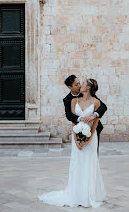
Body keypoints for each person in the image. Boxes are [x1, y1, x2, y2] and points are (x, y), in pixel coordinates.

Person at [39, 78, 106, 208]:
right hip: (77, 135)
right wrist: (76, 139)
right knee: (77, 164)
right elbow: (72, 119)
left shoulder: (96, 102)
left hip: (91, 138)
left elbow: (97, 119)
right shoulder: (72, 100)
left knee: (90, 164)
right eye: (77, 84)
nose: (80, 84)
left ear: (89, 88)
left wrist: (88, 139)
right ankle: (76, 194)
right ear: (71, 87)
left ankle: (89, 195)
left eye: (82, 83)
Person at [62, 75, 107, 153]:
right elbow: (69, 115)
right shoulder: (67, 100)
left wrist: (94, 115)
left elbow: (103, 106)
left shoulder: (87, 93)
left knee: (93, 154)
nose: (79, 86)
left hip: (94, 128)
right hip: (78, 129)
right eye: (76, 85)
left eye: (79, 83)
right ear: (70, 87)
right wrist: (80, 119)